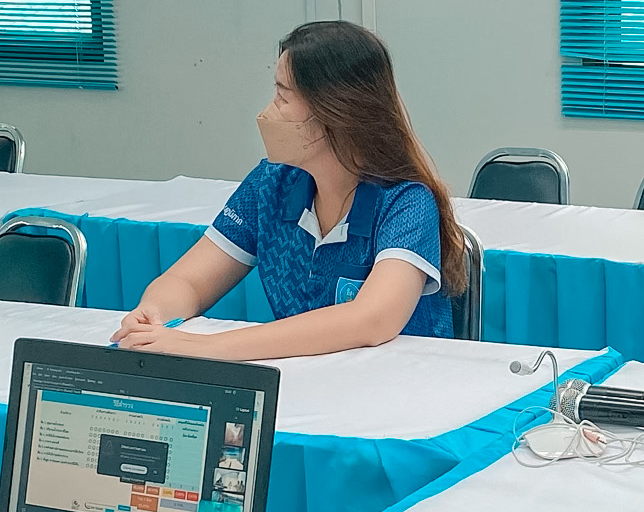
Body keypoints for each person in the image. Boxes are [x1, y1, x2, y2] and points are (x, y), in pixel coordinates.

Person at [111, 21, 469, 360]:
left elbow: (372, 320)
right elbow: (188, 281)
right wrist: (154, 314)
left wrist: (205, 346)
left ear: (335, 111)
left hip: (399, 393)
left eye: (282, 97)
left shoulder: (406, 201)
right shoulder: (271, 184)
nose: (268, 112)